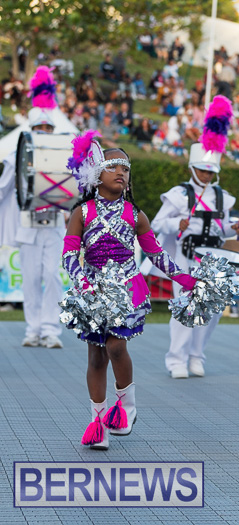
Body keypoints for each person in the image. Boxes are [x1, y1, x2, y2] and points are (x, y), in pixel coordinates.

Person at [62, 135, 197, 449]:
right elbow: (69, 254)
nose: (121, 171)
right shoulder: (81, 213)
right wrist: (83, 284)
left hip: (126, 289)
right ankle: (97, 424)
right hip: (92, 288)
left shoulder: (136, 216)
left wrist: (186, 279)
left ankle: (126, 406)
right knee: (96, 357)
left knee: (115, 347)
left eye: (126, 167)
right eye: (114, 166)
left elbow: (157, 255)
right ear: (97, 173)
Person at [151, 97, 239, 379]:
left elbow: (222, 229)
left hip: (213, 260)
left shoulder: (221, 197)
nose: (206, 174)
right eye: (202, 169)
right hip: (185, 258)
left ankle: (196, 356)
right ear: (192, 168)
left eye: (210, 171)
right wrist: (177, 221)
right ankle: (176, 359)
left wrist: (233, 229)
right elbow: (156, 223)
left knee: (211, 310)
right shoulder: (179, 194)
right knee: (185, 306)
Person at [0, 67, 65, 348]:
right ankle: (33, 329)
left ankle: (50, 329)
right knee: (31, 277)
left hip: (53, 223)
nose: (43, 132)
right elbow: (5, 185)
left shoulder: (63, 156)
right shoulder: (18, 155)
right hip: (28, 223)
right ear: (31, 130)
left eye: (47, 128)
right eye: (39, 128)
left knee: (52, 275)